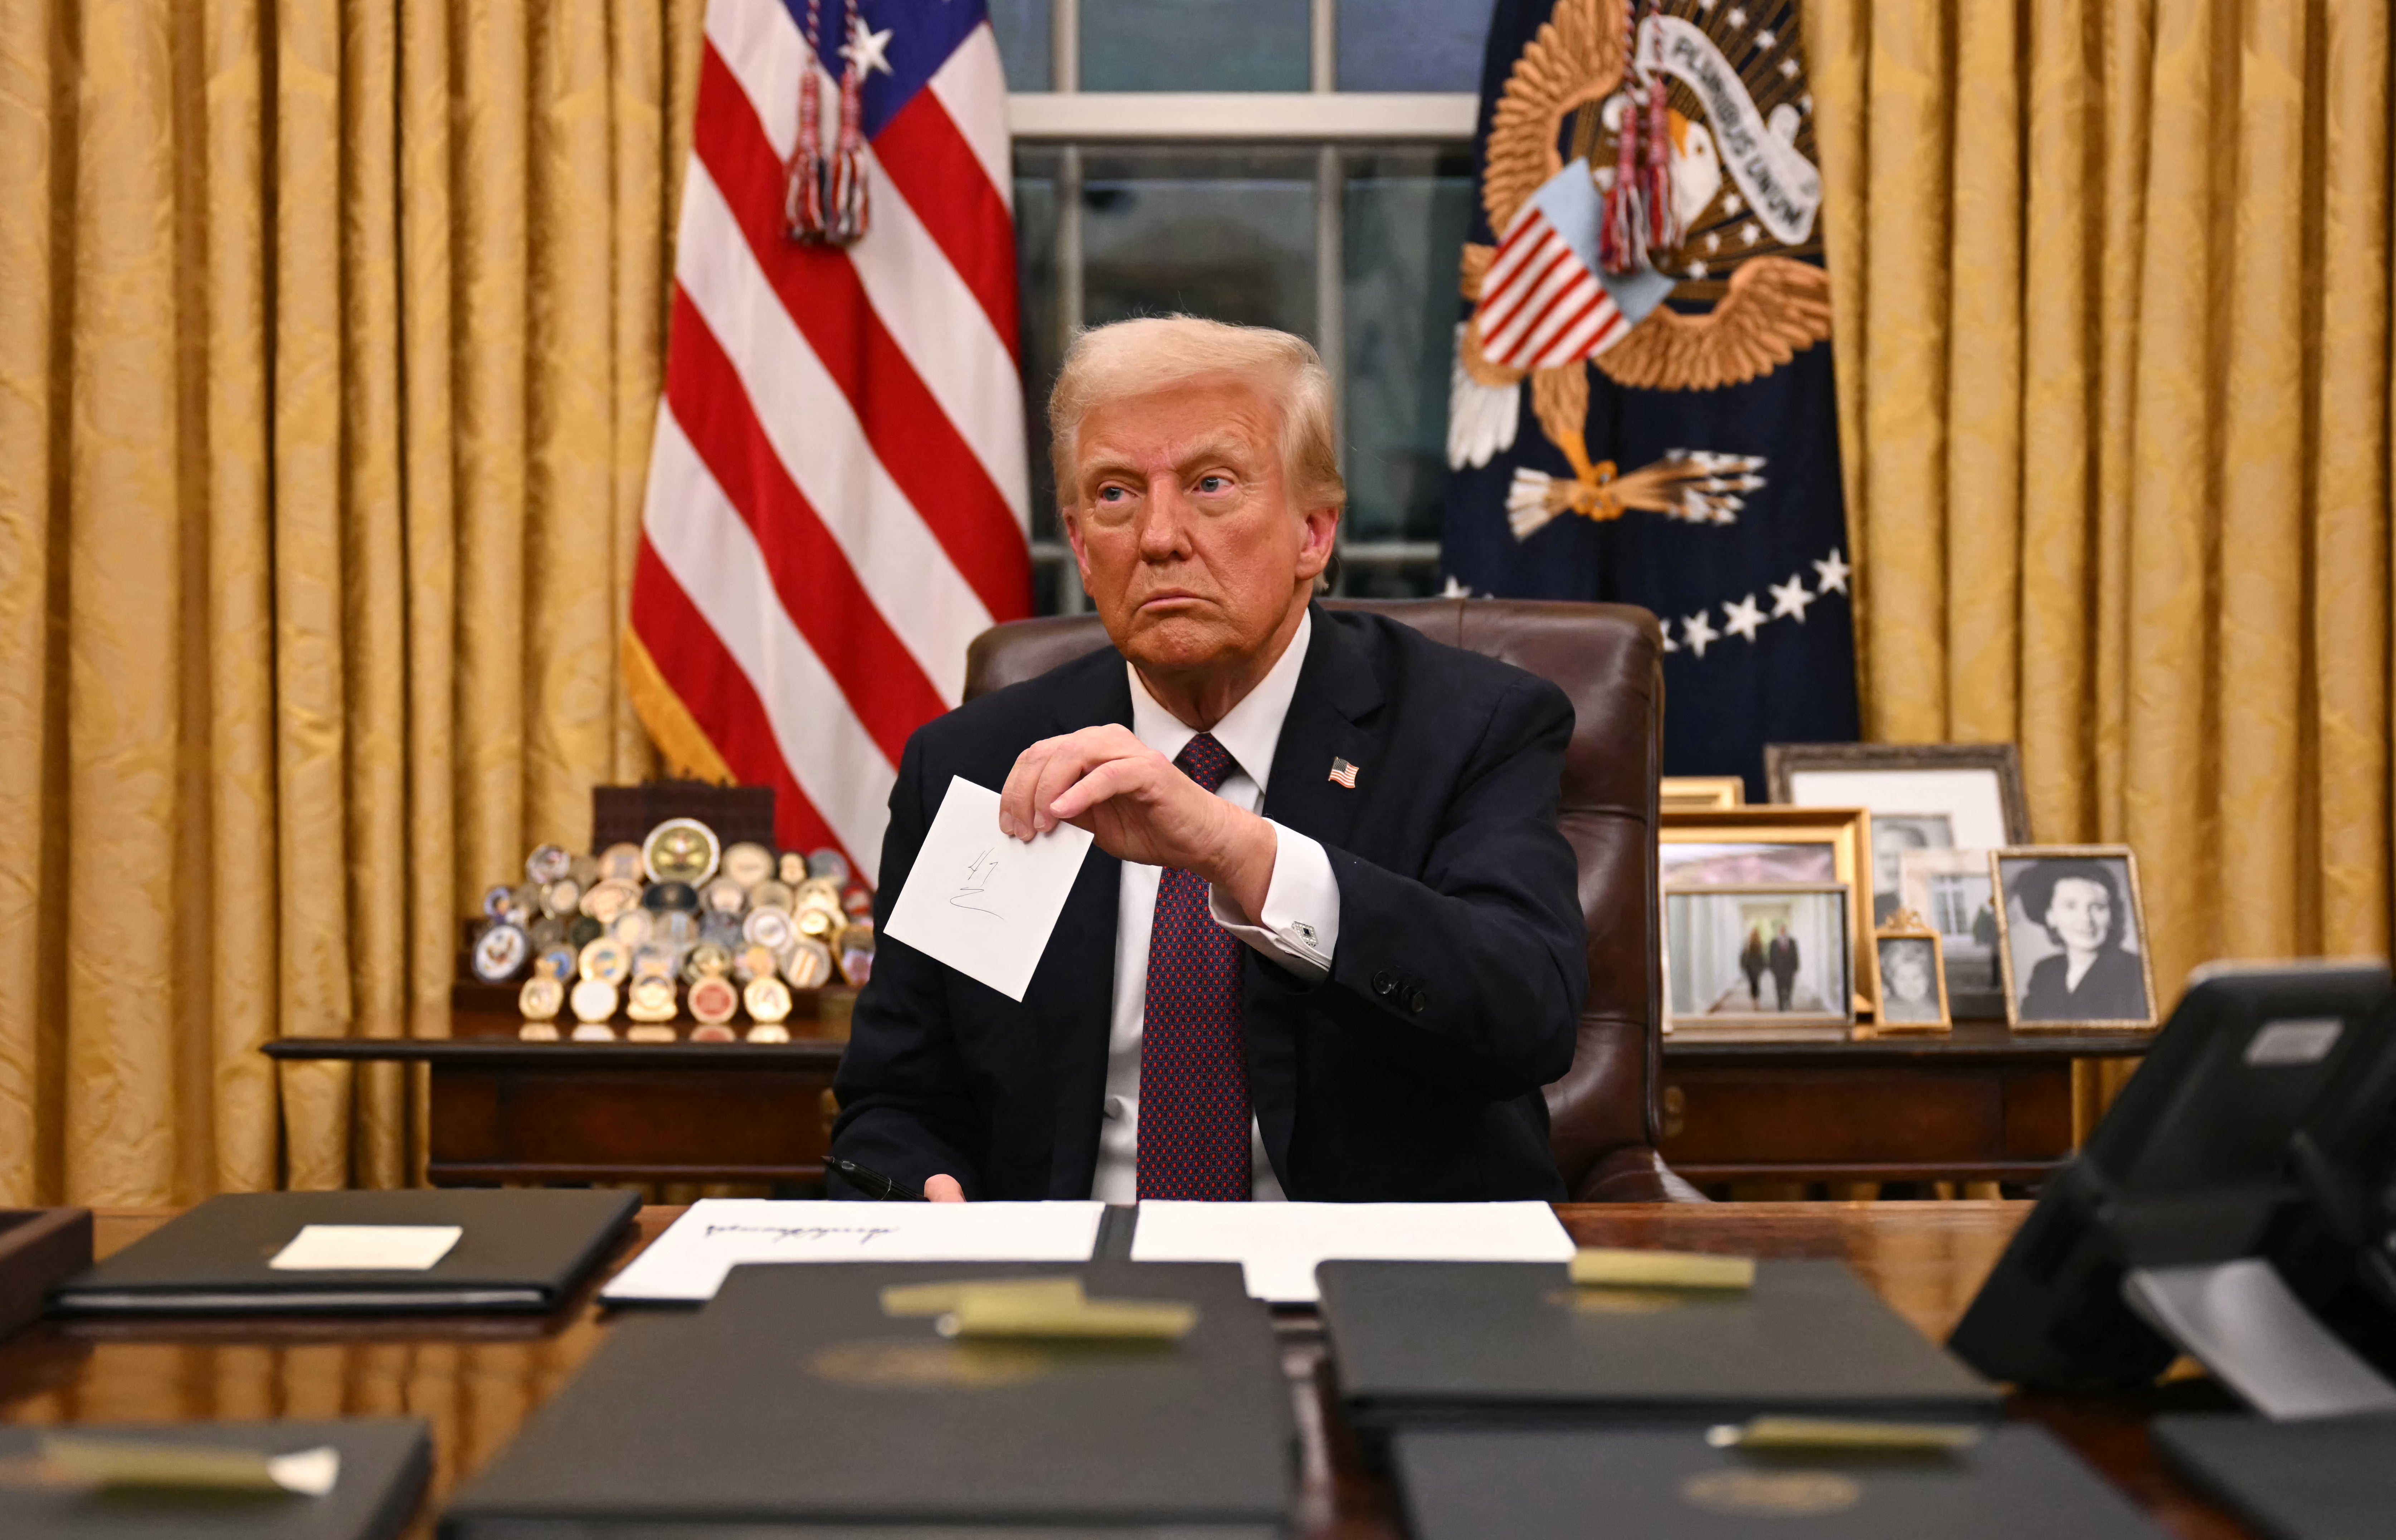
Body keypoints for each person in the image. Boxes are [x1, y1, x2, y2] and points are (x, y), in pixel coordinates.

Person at [829, 316, 1587, 1203]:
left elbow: (1527, 1015)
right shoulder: (985, 763)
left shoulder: (1471, 726)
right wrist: (926, 1188)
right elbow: (897, 1100)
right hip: (1063, 1271)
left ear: (1313, 532)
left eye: (1211, 484)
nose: (1159, 537)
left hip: (1368, 1270)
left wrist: (1239, 852)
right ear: (1082, 547)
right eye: (1115, 494)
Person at [2012, 859, 2147, 1022]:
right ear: (2050, 916)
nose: (2086, 920)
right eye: (2071, 906)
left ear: (2112, 915)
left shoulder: (2135, 971)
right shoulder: (2045, 972)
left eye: (2098, 907)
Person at [1880, 939, 1940, 1024]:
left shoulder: (1937, 1013)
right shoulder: (1884, 1013)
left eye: (1916, 977)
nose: (1910, 984)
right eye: (1902, 978)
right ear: (1891, 981)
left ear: (1927, 978)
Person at [1766, 922, 1799, 1011]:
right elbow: (1771, 956)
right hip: (1778, 970)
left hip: (1789, 970)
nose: (1782, 932)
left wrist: (1796, 968)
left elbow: (1796, 955)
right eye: (1781, 930)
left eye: (1784, 930)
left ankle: (1788, 1001)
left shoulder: (1792, 942)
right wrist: (1771, 968)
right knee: (1779, 988)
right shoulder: (1774, 942)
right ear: (1778, 932)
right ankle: (1781, 1006)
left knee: (1789, 987)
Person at [1739, 925, 1766, 1004]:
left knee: (1755, 983)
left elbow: (1762, 956)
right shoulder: (1748, 943)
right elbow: (1744, 955)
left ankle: (1755, 1000)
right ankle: (1755, 1000)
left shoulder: (1759, 944)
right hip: (1750, 967)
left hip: (1755, 967)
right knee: (1753, 984)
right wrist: (1743, 965)